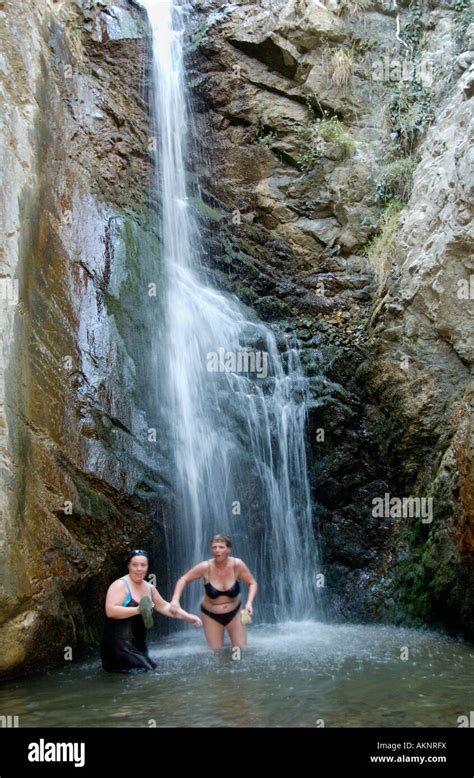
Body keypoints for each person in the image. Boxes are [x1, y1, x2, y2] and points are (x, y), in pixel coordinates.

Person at [100, 549, 202, 673]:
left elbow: (165, 607)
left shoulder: (149, 588)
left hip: (138, 645)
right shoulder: (120, 585)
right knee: (144, 672)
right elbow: (111, 611)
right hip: (118, 645)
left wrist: (188, 617)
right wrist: (138, 610)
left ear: (147, 567)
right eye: (135, 565)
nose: (139, 569)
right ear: (129, 566)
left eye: (143, 565)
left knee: (147, 672)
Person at [170, 534, 258, 650]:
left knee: (242, 649)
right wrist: (175, 600)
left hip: (235, 612)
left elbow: (252, 583)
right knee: (217, 653)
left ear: (228, 549)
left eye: (221, 547)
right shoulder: (205, 567)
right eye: (214, 547)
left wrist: (249, 603)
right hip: (211, 615)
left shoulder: (237, 565)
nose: (217, 550)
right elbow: (184, 579)